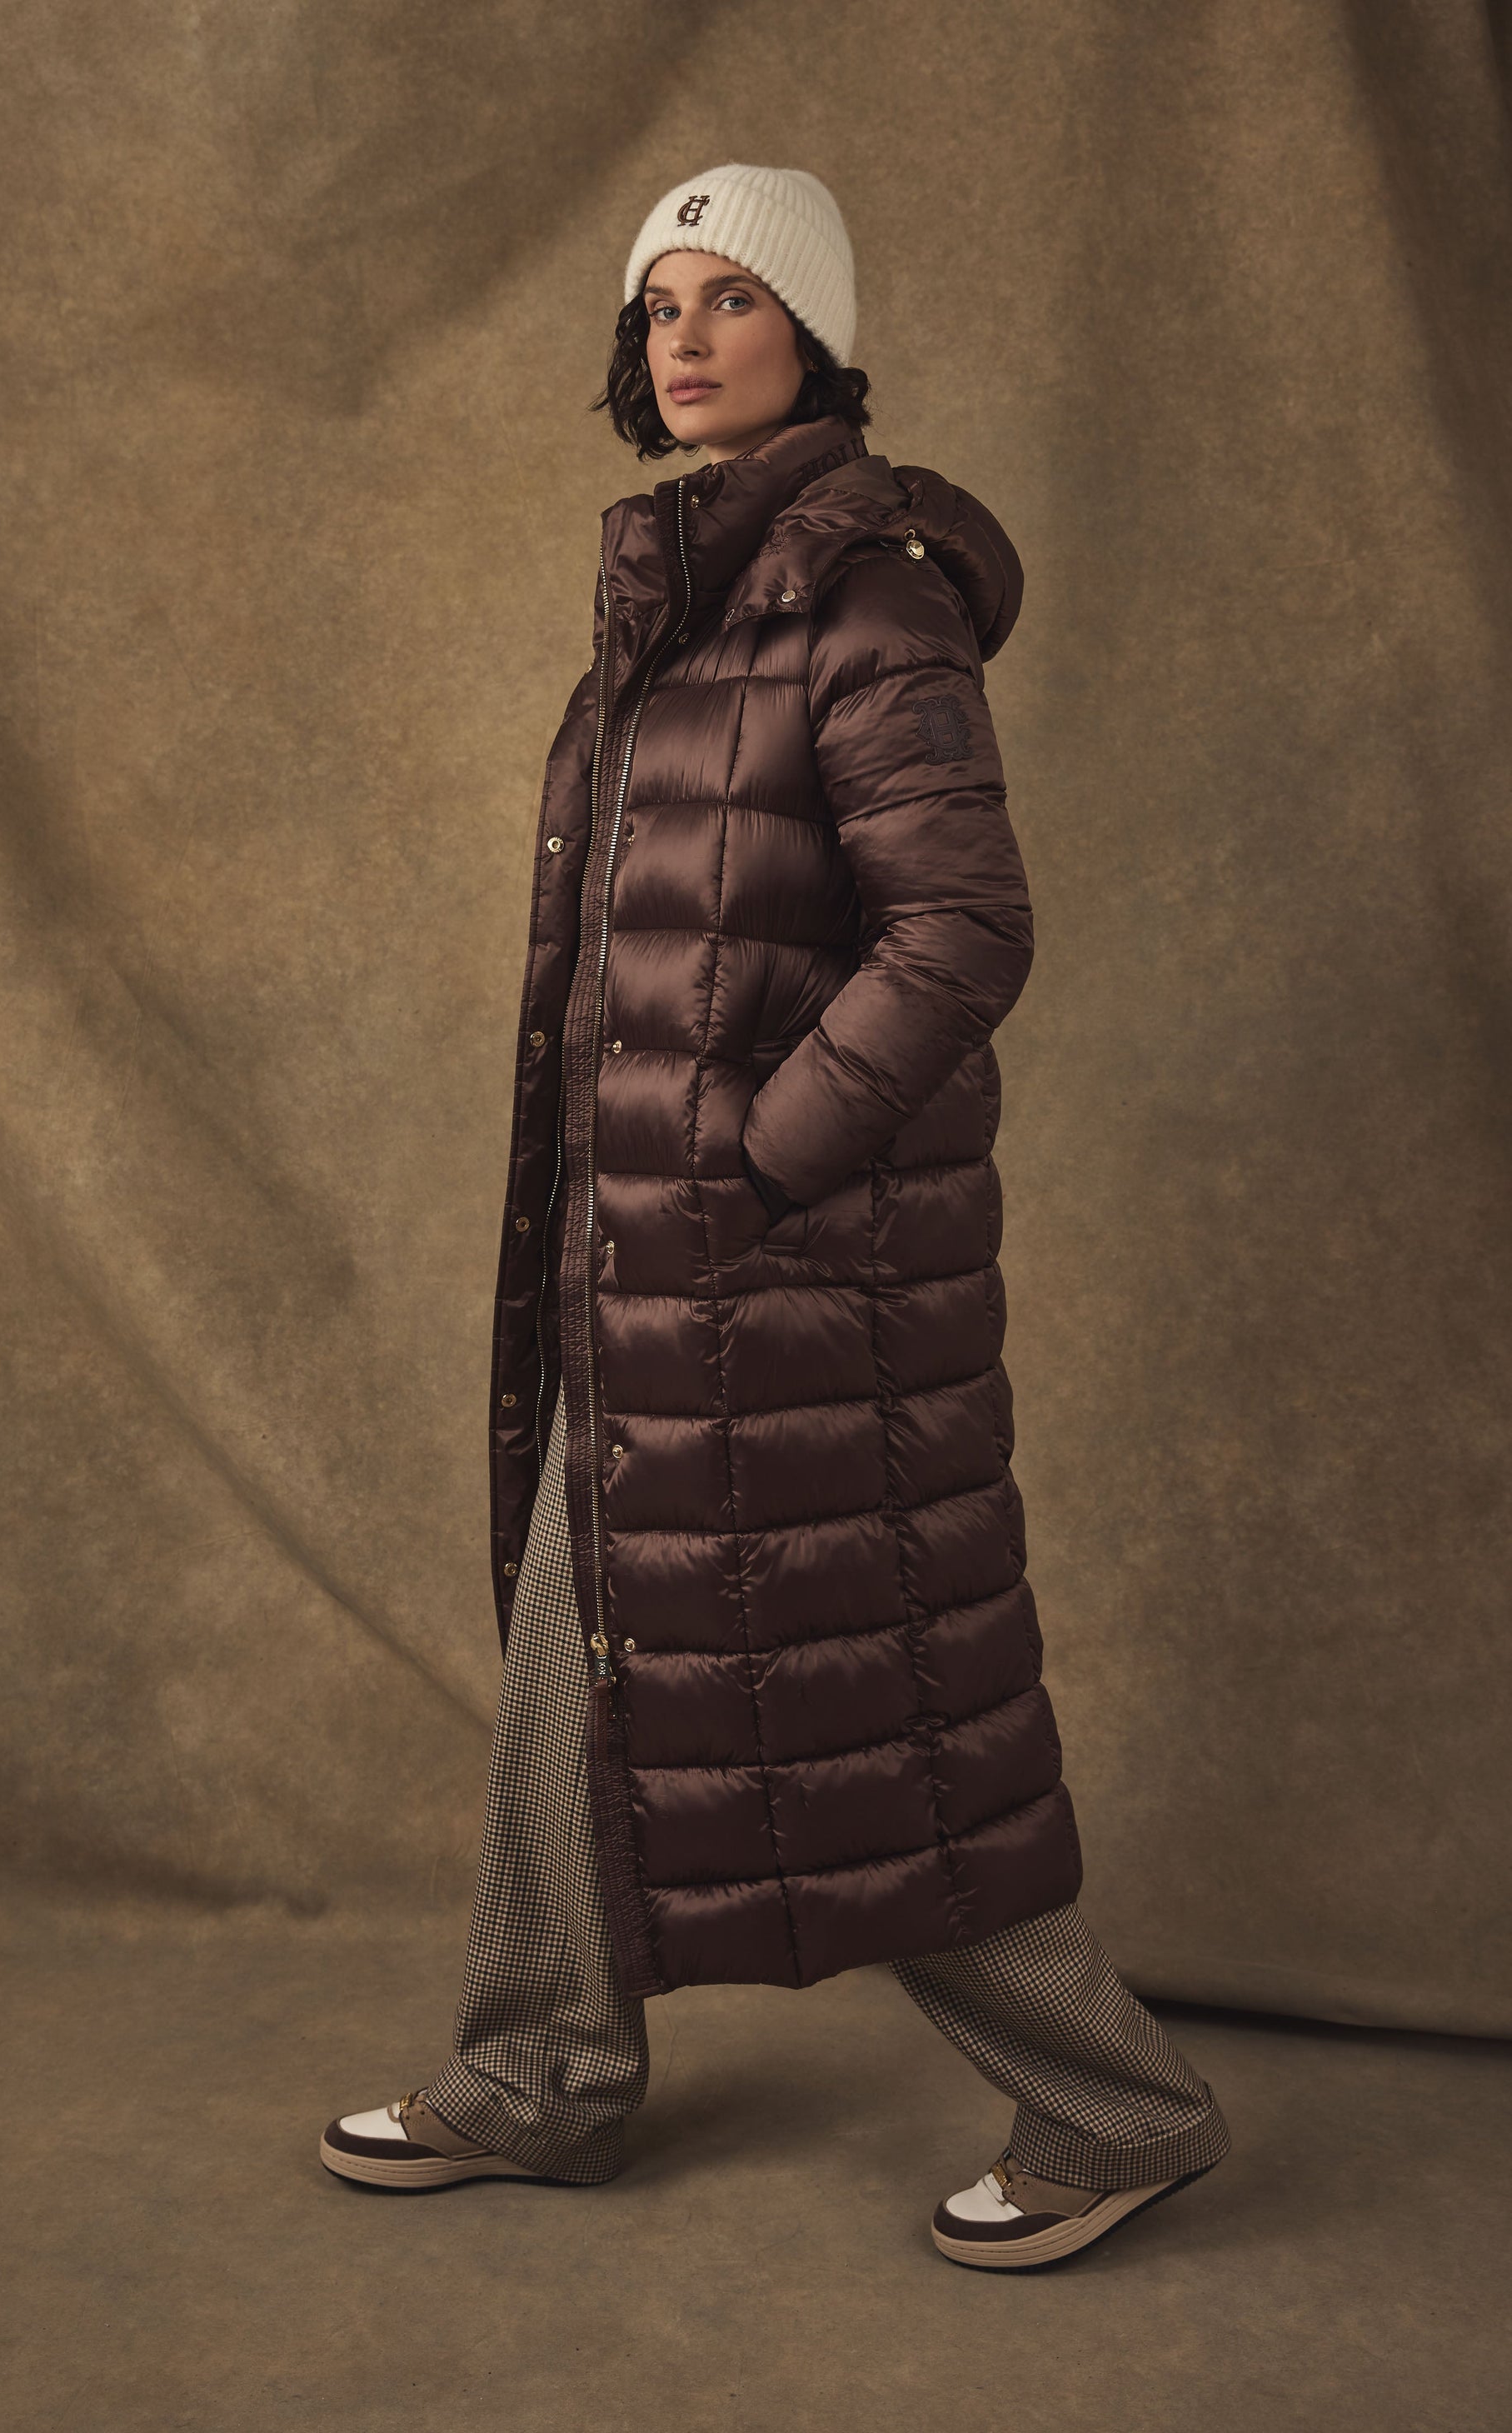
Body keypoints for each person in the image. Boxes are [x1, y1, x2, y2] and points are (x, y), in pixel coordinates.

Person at [320, 163, 1230, 2270]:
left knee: (866, 1714)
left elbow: (962, 926)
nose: (686, 337)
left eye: (732, 298)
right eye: (659, 305)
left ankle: (1124, 2104)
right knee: (582, 1650)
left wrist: (759, 1152)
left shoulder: (865, 603)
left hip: (792, 1273)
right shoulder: (681, 602)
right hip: (649, 1268)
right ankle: (543, 2065)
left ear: (816, 336)